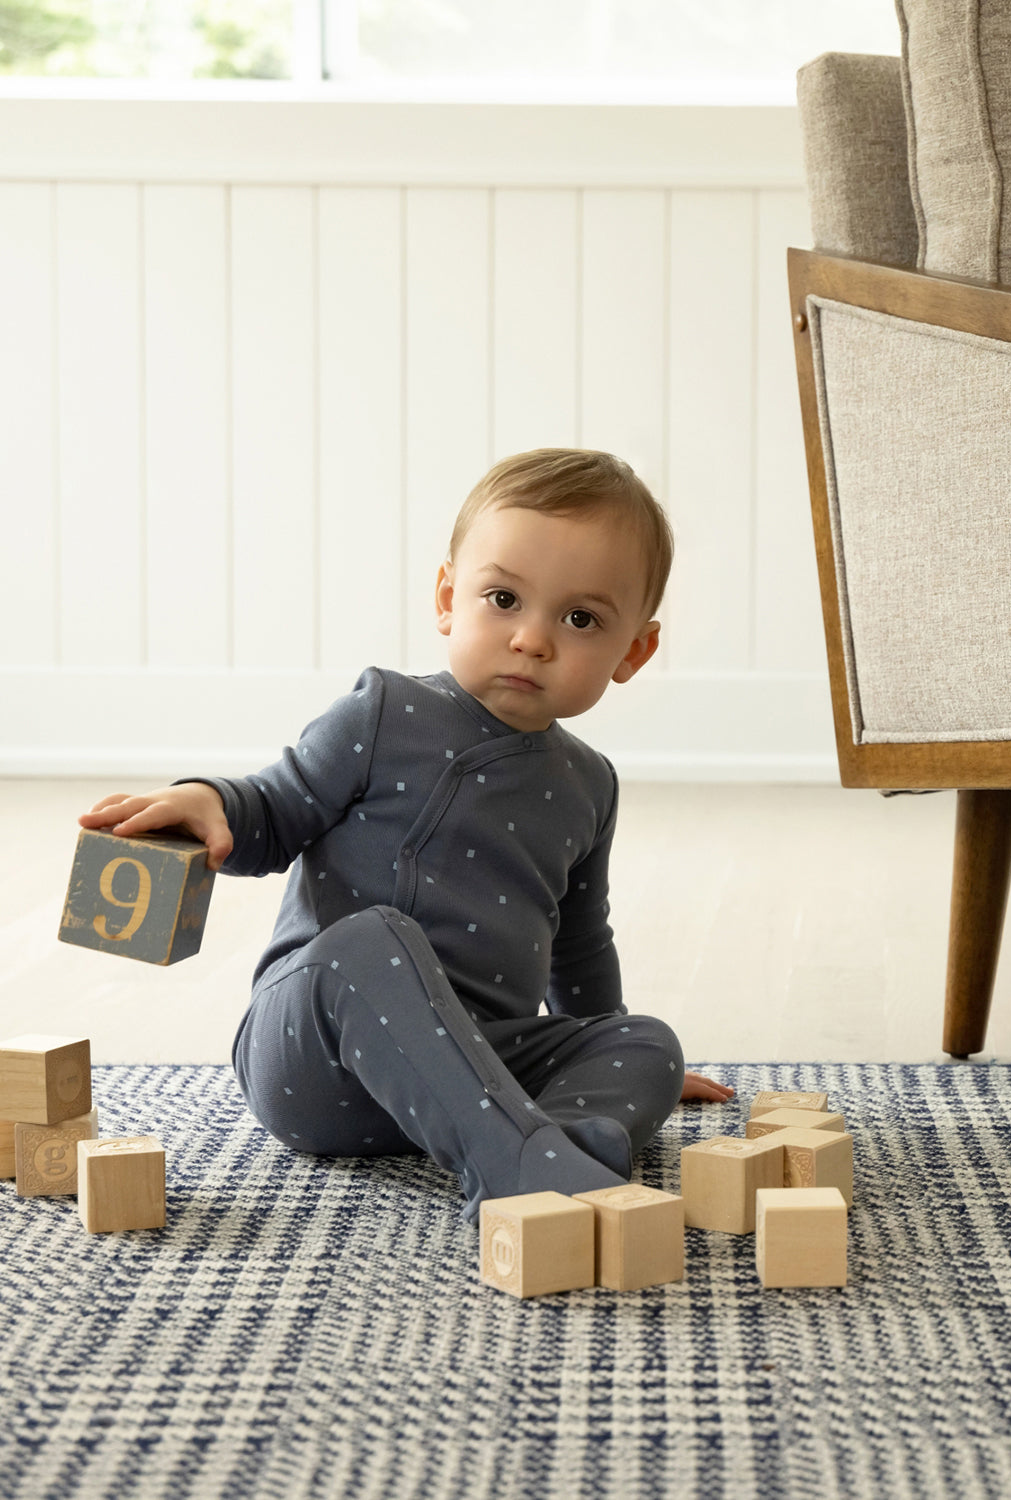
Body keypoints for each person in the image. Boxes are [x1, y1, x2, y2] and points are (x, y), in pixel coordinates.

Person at [79, 448, 734, 1222]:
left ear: (634, 651)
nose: (533, 639)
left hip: (480, 1064)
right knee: (371, 937)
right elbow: (275, 807)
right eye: (503, 599)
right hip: (316, 1057)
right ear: (448, 598)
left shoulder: (589, 783)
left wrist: (601, 1050)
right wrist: (208, 799)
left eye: (580, 618)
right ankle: (512, 1162)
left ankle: (553, 1138)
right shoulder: (386, 712)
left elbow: (581, 945)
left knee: (650, 1040)